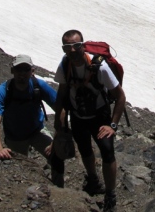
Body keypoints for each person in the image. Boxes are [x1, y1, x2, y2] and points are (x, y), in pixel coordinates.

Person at [54, 30, 127, 212]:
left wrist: (112, 126)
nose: (72, 50)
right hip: (78, 116)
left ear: (83, 46)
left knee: (107, 152)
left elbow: (120, 97)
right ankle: (93, 180)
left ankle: (110, 195)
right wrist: (59, 119)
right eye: (67, 47)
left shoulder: (99, 67)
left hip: (99, 117)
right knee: (85, 149)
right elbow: (62, 94)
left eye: (76, 46)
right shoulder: (64, 66)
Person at [0, 54, 65, 187]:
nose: (22, 74)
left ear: (32, 71)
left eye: (26, 70)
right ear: (12, 71)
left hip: (37, 131)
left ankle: (58, 189)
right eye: (19, 70)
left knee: (57, 156)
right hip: (15, 137)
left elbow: (61, 110)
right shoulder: (3, 91)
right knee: (18, 168)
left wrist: (56, 140)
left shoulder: (39, 86)